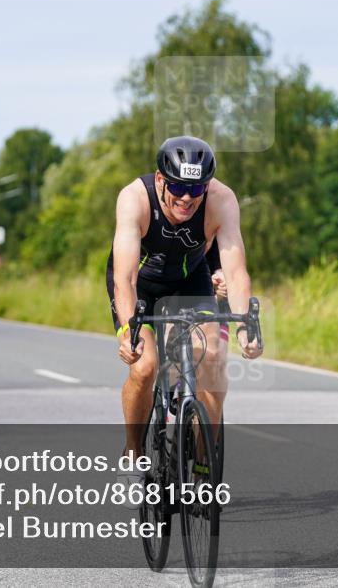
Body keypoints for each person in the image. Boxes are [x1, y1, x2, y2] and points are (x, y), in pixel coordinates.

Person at [108, 136, 262, 466]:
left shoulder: (221, 200)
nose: (187, 198)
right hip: (141, 287)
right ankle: (133, 452)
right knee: (145, 367)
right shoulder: (135, 198)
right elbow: (125, 278)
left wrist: (245, 329)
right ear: (160, 179)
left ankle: (204, 465)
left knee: (212, 358)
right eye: (178, 187)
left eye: (196, 188)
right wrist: (128, 334)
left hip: (190, 281)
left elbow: (236, 273)